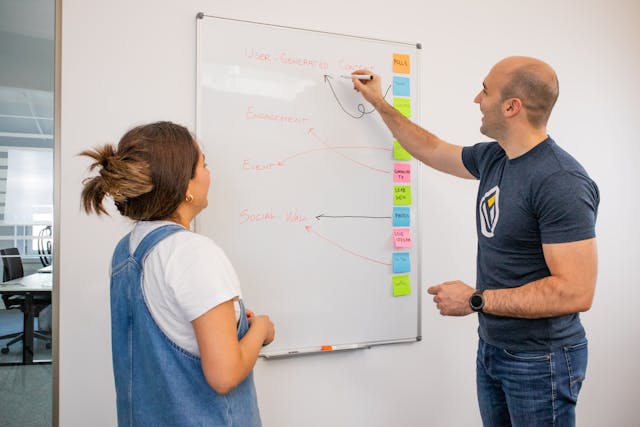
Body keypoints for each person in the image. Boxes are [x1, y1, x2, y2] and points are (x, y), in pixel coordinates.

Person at [351, 57, 599, 426]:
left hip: (541, 360)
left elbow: (575, 292)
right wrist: (379, 103)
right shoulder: (496, 157)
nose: (476, 99)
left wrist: (476, 300)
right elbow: (431, 149)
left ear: (511, 107)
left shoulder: (560, 181)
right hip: (494, 348)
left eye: (485, 90)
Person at [80, 121, 275, 426]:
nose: (210, 174)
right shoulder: (192, 253)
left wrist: (229, 323)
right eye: (204, 165)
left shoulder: (127, 250)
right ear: (185, 186)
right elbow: (224, 376)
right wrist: (261, 328)